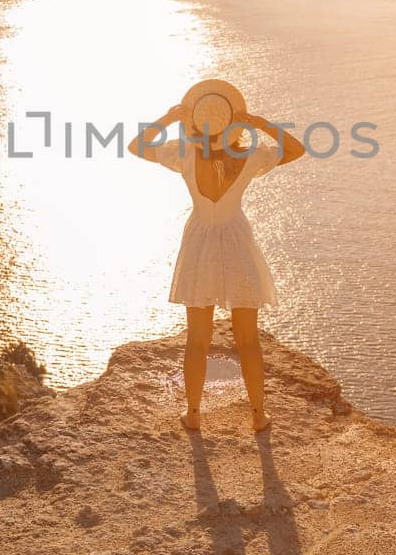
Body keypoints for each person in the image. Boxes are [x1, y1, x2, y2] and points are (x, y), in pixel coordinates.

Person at [127, 80, 305, 432]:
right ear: (232, 122)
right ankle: (257, 416)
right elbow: (295, 149)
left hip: (200, 242)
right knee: (248, 339)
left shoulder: (184, 152)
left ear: (194, 120)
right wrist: (257, 122)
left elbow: (137, 145)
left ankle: (193, 414)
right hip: (236, 241)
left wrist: (169, 117)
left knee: (197, 339)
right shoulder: (250, 155)